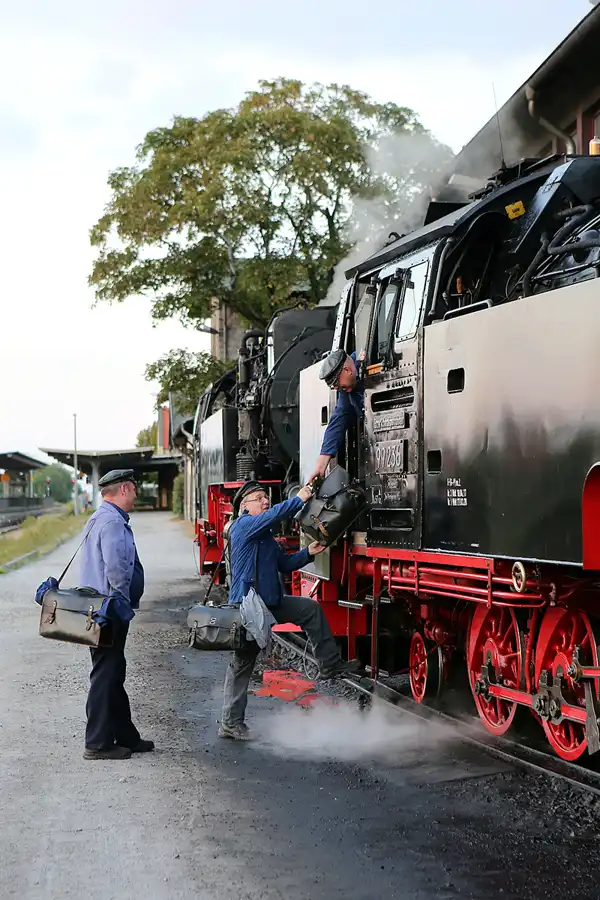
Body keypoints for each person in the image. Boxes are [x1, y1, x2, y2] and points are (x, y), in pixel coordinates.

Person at [220, 480, 361, 741]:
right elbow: (277, 513)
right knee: (242, 663)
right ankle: (231, 722)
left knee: (310, 610)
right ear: (244, 505)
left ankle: (329, 664)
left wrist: (309, 552)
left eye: (266, 497)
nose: (266, 501)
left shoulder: (264, 536)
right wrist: (301, 497)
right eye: (260, 497)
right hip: (250, 607)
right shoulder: (243, 526)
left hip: (271, 602)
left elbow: (285, 565)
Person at [79, 469, 154, 761]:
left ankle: (125, 736)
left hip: (96, 608)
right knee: (105, 674)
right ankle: (97, 743)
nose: (135, 494)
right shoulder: (112, 522)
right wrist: (121, 603)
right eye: (133, 489)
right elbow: (116, 568)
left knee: (113, 671)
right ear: (123, 489)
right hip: (109, 610)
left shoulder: (99, 517)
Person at [308, 349, 364, 483]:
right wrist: (321, 465)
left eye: (339, 384)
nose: (339, 388)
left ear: (347, 370)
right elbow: (338, 419)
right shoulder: (347, 389)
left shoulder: (367, 358)